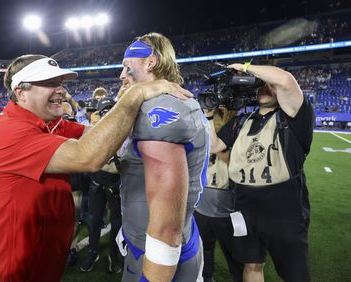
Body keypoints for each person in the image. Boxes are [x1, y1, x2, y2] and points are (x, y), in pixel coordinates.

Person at [0, 54, 191, 282]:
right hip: (14, 267)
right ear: (20, 92)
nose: (60, 90)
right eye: (49, 84)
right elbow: (87, 156)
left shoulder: (48, 123)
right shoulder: (6, 132)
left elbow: (96, 134)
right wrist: (135, 94)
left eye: (60, 83)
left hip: (44, 255)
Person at [206, 63, 315, 282]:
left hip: (284, 206)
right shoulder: (241, 122)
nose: (265, 88)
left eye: (270, 85)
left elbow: (284, 79)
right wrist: (208, 116)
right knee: (252, 264)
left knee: (295, 273)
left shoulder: (293, 117)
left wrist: (246, 67)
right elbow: (215, 146)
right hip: (245, 204)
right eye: (261, 85)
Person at [117, 33, 209, 282]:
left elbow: (167, 227)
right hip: (149, 238)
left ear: (150, 62)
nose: (121, 75)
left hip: (159, 252)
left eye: (127, 66)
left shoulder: (159, 109)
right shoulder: (149, 103)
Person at [194, 108, 243, 282]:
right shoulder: (199, 143)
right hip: (202, 205)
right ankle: (207, 276)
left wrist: (217, 149)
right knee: (205, 248)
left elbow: (236, 162)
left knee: (234, 253)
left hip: (226, 207)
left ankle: (236, 277)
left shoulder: (230, 143)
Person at [79, 97, 123, 273]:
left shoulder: (125, 128)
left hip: (116, 181)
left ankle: (114, 254)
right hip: (97, 180)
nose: (107, 114)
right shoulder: (92, 129)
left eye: (110, 110)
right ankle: (93, 251)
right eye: (104, 111)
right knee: (94, 220)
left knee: (116, 221)